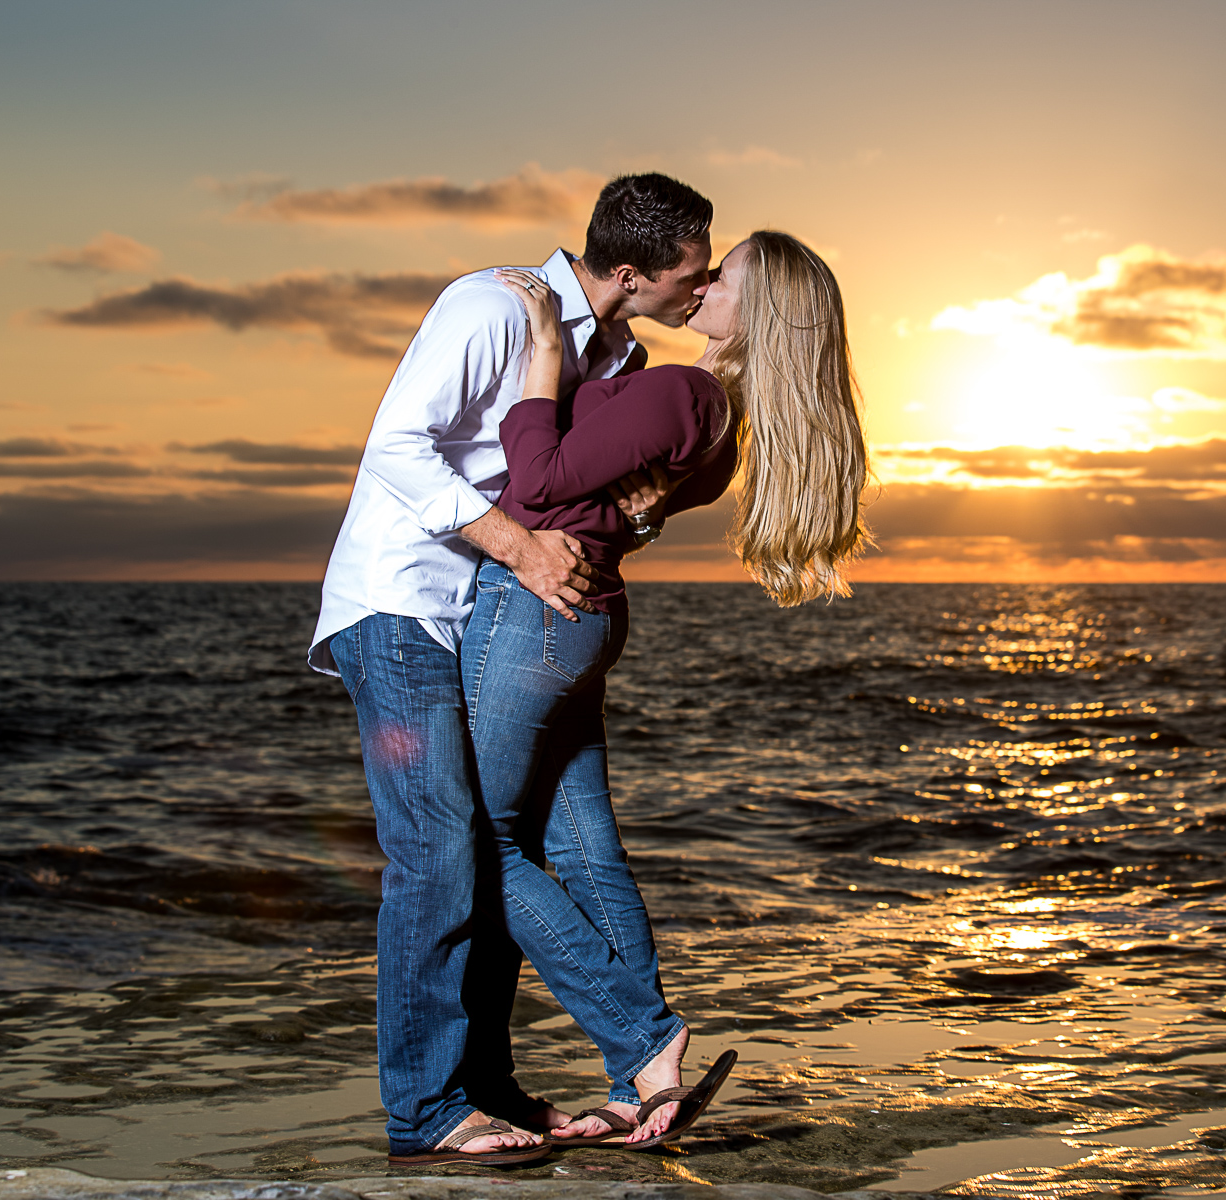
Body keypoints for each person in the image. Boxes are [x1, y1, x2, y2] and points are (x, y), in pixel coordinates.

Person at [308, 174, 715, 1167]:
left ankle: (484, 1090)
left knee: (509, 842)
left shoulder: (616, 354)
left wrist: (633, 514)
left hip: (491, 618)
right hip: (400, 605)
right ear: (630, 271)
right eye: (691, 275)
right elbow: (398, 448)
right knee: (441, 855)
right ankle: (425, 1113)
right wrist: (519, 548)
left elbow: (573, 500)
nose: (701, 291)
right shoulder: (491, 307)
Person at [461, 229, 871, 1149]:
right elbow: (612, 502)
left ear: (755, 311)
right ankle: (643, 1080)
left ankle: (642, 1037)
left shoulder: (686, 392)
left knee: (481, 843)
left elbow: (537, 478)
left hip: (536, 612)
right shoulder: (720, 423)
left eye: (726, 275)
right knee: (581, 845)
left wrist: (544, 353)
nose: (707, 282)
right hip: (583, 617)